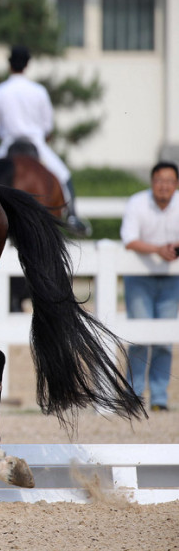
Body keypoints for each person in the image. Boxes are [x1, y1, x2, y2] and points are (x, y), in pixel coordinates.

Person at [0, 45, 90, 236]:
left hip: (8, 142)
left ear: (9, 65)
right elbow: (48, 125)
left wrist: (5, 134)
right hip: (36, 143)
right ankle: (72, 216)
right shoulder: (39, 91)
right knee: (64, 176)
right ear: (27, 65)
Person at [120, 160, 179, 412]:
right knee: (140, 338)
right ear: (152, 182)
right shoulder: (137, 203)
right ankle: (133, 395)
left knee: (164, 340)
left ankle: (159, 398)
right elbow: (129, 239)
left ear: (176, 184)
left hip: (172, 279)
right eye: (159, 181)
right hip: (139, 278)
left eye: (169, 181)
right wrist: (158, 249)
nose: (164, 186)